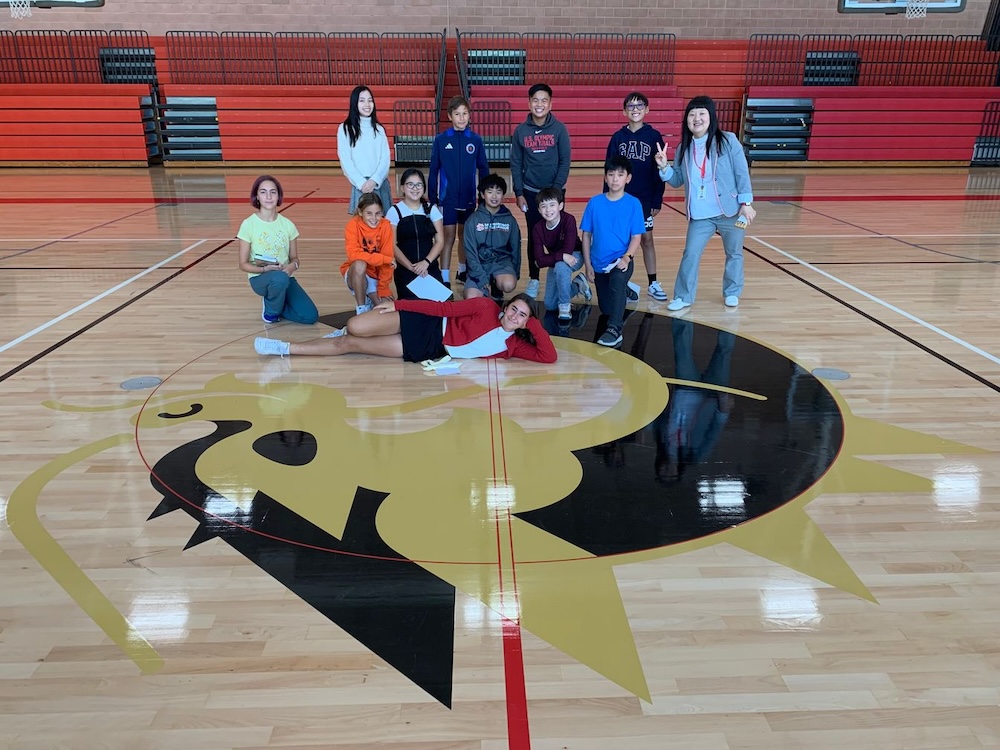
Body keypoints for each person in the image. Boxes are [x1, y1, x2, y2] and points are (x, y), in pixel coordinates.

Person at [653, 95, 756, 311]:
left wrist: (746, 203)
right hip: (701, 214)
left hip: (730, 210)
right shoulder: (684, 148)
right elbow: (677, 179)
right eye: (691, 114)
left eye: (701, 113)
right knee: (690, 252)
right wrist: (664, 167)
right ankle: (683, 296)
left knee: (734, 252)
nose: (696, 118)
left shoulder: (728, 141)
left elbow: (741, 172)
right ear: (686, 120)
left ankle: (732, 291)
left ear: (711, 117)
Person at [253, 294, 557, 364]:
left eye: (523, 316)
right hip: (427, 323)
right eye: (514, 309)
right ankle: (353, 330)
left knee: (350, 343)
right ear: (505, 307)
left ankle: (284, 348)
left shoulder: (513, 346)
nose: (515, 316)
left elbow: (548, 356)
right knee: (354, 325)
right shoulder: (485, 306)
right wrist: (398, 305)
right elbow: (442, 308)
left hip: (430, 350)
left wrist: (532, 323)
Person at [510, 83, 571, 299]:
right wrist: (518, 192)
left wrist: (556, 193)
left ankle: (556, 278)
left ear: (550, 104)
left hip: (555, 193)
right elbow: (516, 164)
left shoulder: (559, 129)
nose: (539, 104)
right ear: (529, 103)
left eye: (544, 100)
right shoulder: (521, 131)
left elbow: (565, 161)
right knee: (535, 236)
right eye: (535, 100)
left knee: (558, 236)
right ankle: (534, 279)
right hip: (530, 193)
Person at [606, 91, 668, 302]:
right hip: (620, 199)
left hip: (643, 199)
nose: (635, 109)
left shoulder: (654, 136)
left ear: (647, 109)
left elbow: (658, 172)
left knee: (646, 240)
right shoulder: (618, 138)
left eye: (639, 105)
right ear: (624, 111)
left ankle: (653, 283)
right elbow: (608, 170)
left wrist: (657, 199)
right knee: (621, 242)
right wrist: (607, 198)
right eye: (630, 106)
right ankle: (621, 282)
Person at [580, 155, 646, 348]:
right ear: (605, 178)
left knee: (617, 281)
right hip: (599, 262)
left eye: (620, 174)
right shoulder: (595, 203)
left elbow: (636, 237)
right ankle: (627, 289)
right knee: (606, 308)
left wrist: (627, 257)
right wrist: (588, 265)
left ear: (628, 178)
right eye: (611, 174)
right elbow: (586, 236)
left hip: (621, 259)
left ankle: (615, 329)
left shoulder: (634, 204)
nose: (615, 179)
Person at [237, 175, 318, 325]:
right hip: (260, 278)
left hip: (284, 277)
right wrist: (265, 269)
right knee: (278, 279)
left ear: (279, 196)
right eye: (263, 192)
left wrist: (293, 266)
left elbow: (295, 258)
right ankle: (270, 312)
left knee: (310, 316)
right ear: (257, 196)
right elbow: (243, 264)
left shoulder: (288, 225)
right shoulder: (248, 225)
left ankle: (278, 304)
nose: (268, 196)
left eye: (273, 192)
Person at [428, 95, 489, 288]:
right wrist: (433, 199)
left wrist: (484, 196)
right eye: (457, 114)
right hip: (448, 199)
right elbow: (433, 171)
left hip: (469, 198)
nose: (461, 118)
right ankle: (444, 277)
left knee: (465, 236)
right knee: (447, 237)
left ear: (469, 116)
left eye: (465, 114)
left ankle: (462, 272)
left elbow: (484, 169)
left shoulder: (476, 140)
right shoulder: (441, 140)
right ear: (449, 116)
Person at [532, 187, 591, 321]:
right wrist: (561, 256)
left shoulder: (568, 220)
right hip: (557, 260)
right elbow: (539, 261)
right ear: (539, 210)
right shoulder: (537, 228)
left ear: (560, 206)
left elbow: (568, 251)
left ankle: (565, 306)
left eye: (552, 205)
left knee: (561, 267)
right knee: (550, 304)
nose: (548, 210)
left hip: (575, 255)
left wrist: (559, 257)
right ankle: (578, 285)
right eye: (544, 206)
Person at [387, 168, 445, 301]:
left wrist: (426, 263)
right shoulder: (394, 211)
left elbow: (440, 241)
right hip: (406, 271)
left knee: (438, 308)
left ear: (423, 188)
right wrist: (412, 267)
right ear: (402, 187)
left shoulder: (432, 210)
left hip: (429, 268)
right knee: (412, 310)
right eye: (410, 184)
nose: (415, 188)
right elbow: (392, 245)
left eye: (419, 184)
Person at [463, 174, 521, 303]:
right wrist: (482, 278)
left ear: (503, 195)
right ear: (483, 195)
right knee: (472, 298)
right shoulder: (472, 220)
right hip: (479, 264)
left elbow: (515, 248)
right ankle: (484, 285)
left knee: (509, 284)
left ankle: (496, 285)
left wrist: (514, 273)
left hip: (501, 263)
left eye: (498, 192)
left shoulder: (509, 220)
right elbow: (470, 253)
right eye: (490, 192)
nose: (494, 196)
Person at [337, 84, 392, 216]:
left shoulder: (379, 129)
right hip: (360, 186)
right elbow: (346, 160)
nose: (367, 104)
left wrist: (375, 180)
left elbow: (385, 159)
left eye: (370, 100)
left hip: (379, 184)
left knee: (382, 227)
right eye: (362, 100)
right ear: (354, 103)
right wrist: (362, 183)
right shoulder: (345, 129)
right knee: (361, 229)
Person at [340, 193, 395, 316]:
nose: (374, 218)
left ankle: (371, 297)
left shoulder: (386, 226)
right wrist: (383, 259)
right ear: (360, 212)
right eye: (369, 213)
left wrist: (383, 288)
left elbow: (387, 263)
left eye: (378, 213)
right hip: (357, 273)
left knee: (387, 313)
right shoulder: (352, 225)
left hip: (375, 275)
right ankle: (361, 308)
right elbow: (353, 255)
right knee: (360, 263)